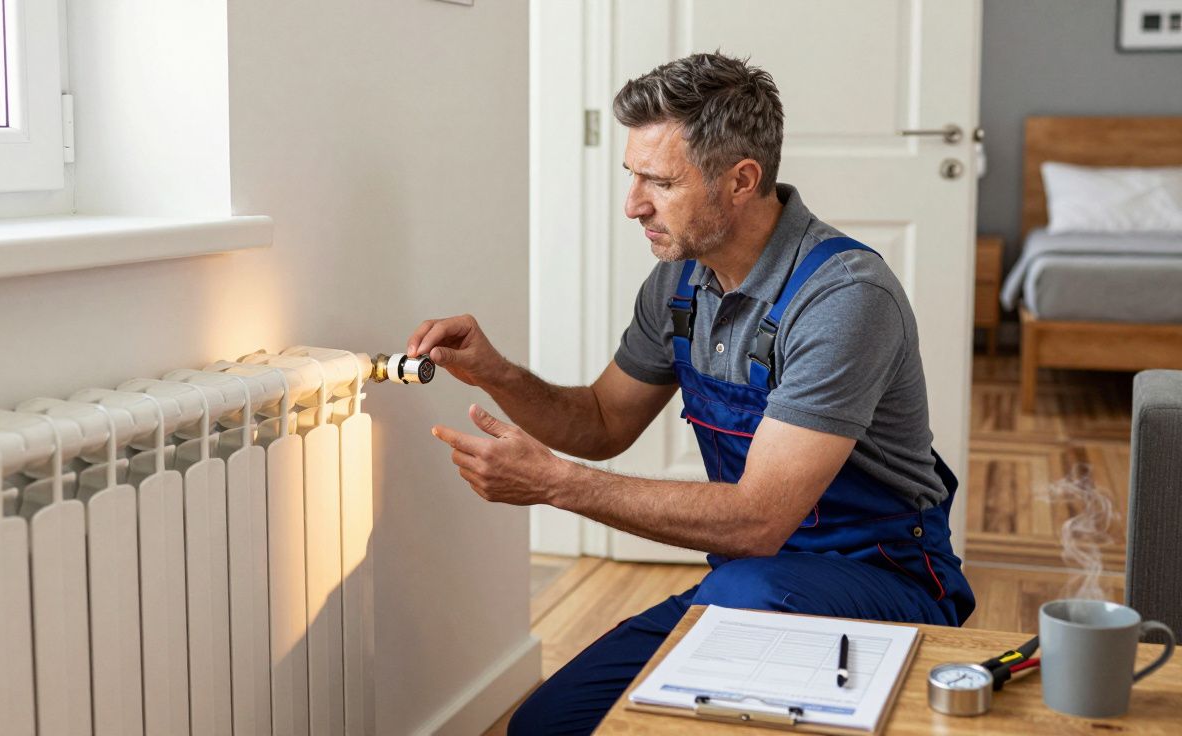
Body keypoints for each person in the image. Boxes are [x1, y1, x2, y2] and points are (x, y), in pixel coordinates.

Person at [407, 51, 974, 735]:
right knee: (548, 724)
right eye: (631, 177)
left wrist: (557, 485)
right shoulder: (680, 283)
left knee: (741, 591)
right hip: (755, 583)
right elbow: (600, 421)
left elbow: (759, 520)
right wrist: (496, 371)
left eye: (659, 181)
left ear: (741, 180)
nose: (632, 204)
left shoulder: (843, 296)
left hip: (884, 578)